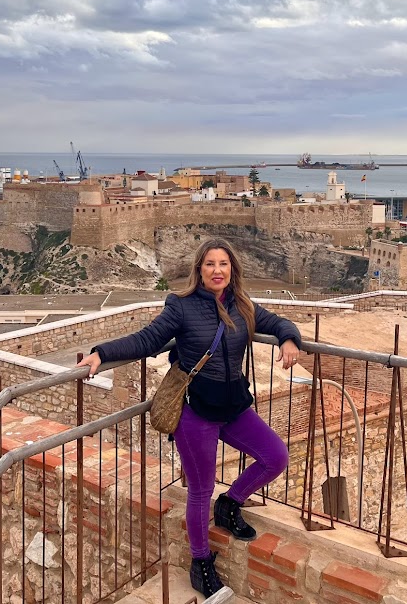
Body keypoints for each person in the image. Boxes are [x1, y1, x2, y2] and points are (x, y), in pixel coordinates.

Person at [76, 238, 302, 599]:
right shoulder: (180, 306)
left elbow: (279, 322)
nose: (217, 270)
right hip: (196, 411)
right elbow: (147, 340)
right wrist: (101, 353)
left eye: (223, 264)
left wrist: (289, 339)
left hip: (233, 406)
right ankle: (201, 563)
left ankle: (230, 503)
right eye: (210, 264)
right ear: (199, 270)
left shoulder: (243, 304)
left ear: (232, 269)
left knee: (276, 456)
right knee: (201, 489)